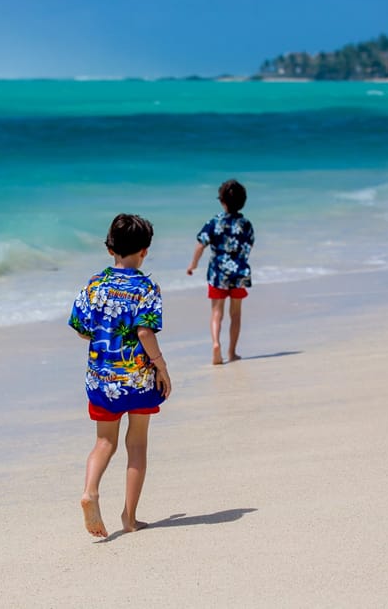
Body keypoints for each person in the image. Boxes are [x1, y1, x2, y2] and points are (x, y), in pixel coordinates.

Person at [69, 213, 172, 538]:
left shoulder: (94, 285)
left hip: (102, 379)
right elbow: (144, 332)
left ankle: (91, 491)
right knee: (137, 445)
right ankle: (129, 517)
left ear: (109, 247)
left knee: (104, 442)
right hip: (139, 379)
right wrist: (161, 366)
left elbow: (83, 331)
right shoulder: (146, 287)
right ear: (144, 250)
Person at [186, 179, 255, 365]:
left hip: (217, 274)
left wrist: (193, 265)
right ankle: (232, 352)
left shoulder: (214, 222)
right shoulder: (246, 224)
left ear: (222, 201)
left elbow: (200, 244)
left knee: (217, 313)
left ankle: (216, 344)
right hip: (239, 273)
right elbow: (249, 247)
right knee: (236, 314)